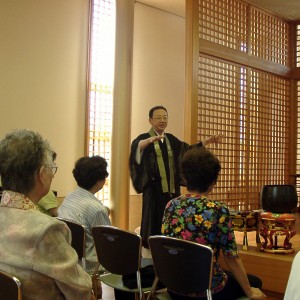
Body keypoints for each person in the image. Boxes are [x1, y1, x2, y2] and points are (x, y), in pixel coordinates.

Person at [0, 129, 95, 300]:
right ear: (42, 174)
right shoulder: (46, 230)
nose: (53, 175)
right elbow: (80, 292)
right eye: (52, 168)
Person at [161, 147, 266, 300]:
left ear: (185, 177)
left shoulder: (171, 205)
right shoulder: (218, 210)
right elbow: (232, 257)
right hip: (205, 290)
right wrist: (249, 291)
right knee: (255, 282)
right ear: (213, 181)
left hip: (174, 286)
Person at [129, 105, 223, 248]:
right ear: (150, 120)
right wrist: (148, 141)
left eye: (165, 117)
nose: (162, 120)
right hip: (154, 192)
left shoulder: (170, 139)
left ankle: (171, 246)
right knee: (153, 222)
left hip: (172, 192)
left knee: (172, 220)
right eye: (159, 117)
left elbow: (188, 150)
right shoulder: (144, 139)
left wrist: (207, 142)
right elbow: (136, 148)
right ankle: (152, 248)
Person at [58, 156, 111, 275]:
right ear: (99, 181)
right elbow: (107, 244)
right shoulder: (97, 209)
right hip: (89, 263)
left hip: (68, 255)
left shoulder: (70, 197)